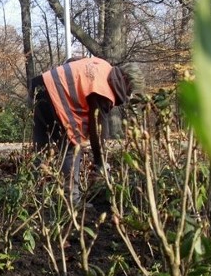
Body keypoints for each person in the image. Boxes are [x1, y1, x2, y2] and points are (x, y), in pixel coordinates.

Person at [31, 56, 142, 205]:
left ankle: (36, 196)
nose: (128, 96)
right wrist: (100, 161)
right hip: (55, 97)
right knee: (72, 146)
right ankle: (73, 200)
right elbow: (98, 128)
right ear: (126, 80)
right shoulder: (104, 90)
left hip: (39, 86)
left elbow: (72, 61)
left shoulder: (102, 64)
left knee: (42, 147)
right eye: (130, 91)